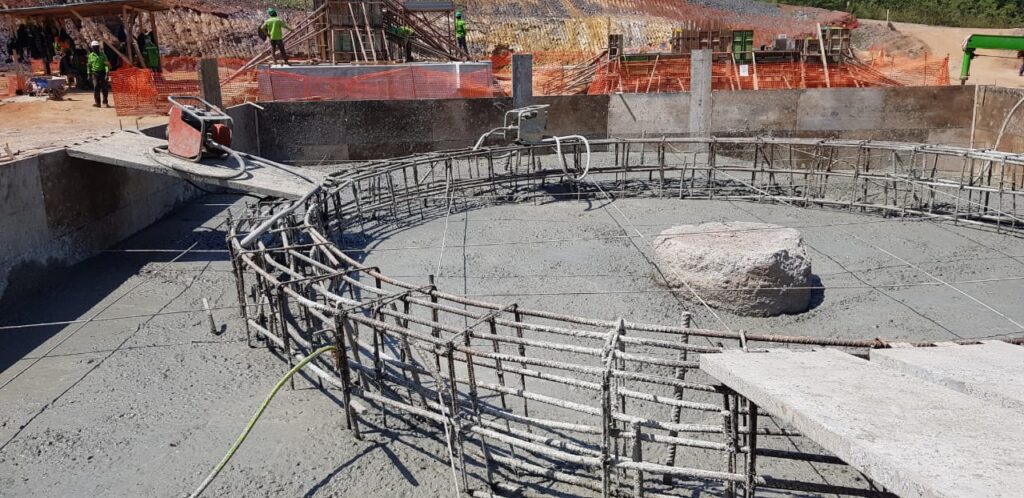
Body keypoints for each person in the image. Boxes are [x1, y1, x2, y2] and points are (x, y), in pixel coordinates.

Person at [87, 40, 110, 108]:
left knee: (104, 88)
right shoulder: (90, 56)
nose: (95, 48)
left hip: (102, 72)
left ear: (98, 47)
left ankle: (105, 102)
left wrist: (107, 74)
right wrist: (88, 74)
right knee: (96, 87)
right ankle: (98, 103)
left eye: (97, 47)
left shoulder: (103, 55)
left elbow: (106, 65)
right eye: (94, 47)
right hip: (94, 73)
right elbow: (89, 66)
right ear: (92, 48)